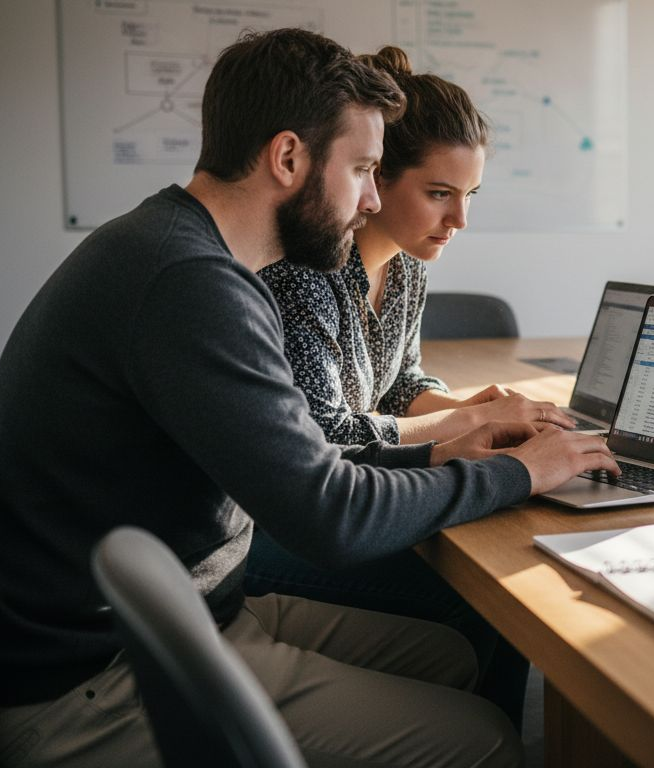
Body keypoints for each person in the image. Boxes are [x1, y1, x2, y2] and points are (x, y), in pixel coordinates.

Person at [0, 28, 617, 768]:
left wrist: (447, 447)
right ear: (288, 158)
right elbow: (329, 517)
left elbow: (303, 459)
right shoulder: (188, 284)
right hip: (91, 685)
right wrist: (522, 473)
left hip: (195, 611)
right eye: (362, 170)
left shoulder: (188, 255)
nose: (374, 199)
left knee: (454, 658)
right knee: (484, 743)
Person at [245, 46, 554, 730]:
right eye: (439, 194)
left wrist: (477, 413)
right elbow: (328, 434)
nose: (459, 221)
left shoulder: (409, 267)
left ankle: (475, 727)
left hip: (352, 483)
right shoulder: (305, 273)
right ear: (377, 176)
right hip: (273, 524)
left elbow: (399, 386)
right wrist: (463, 428)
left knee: (495, 576)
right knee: (484, 595)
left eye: (469, 196)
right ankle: (472, 733)